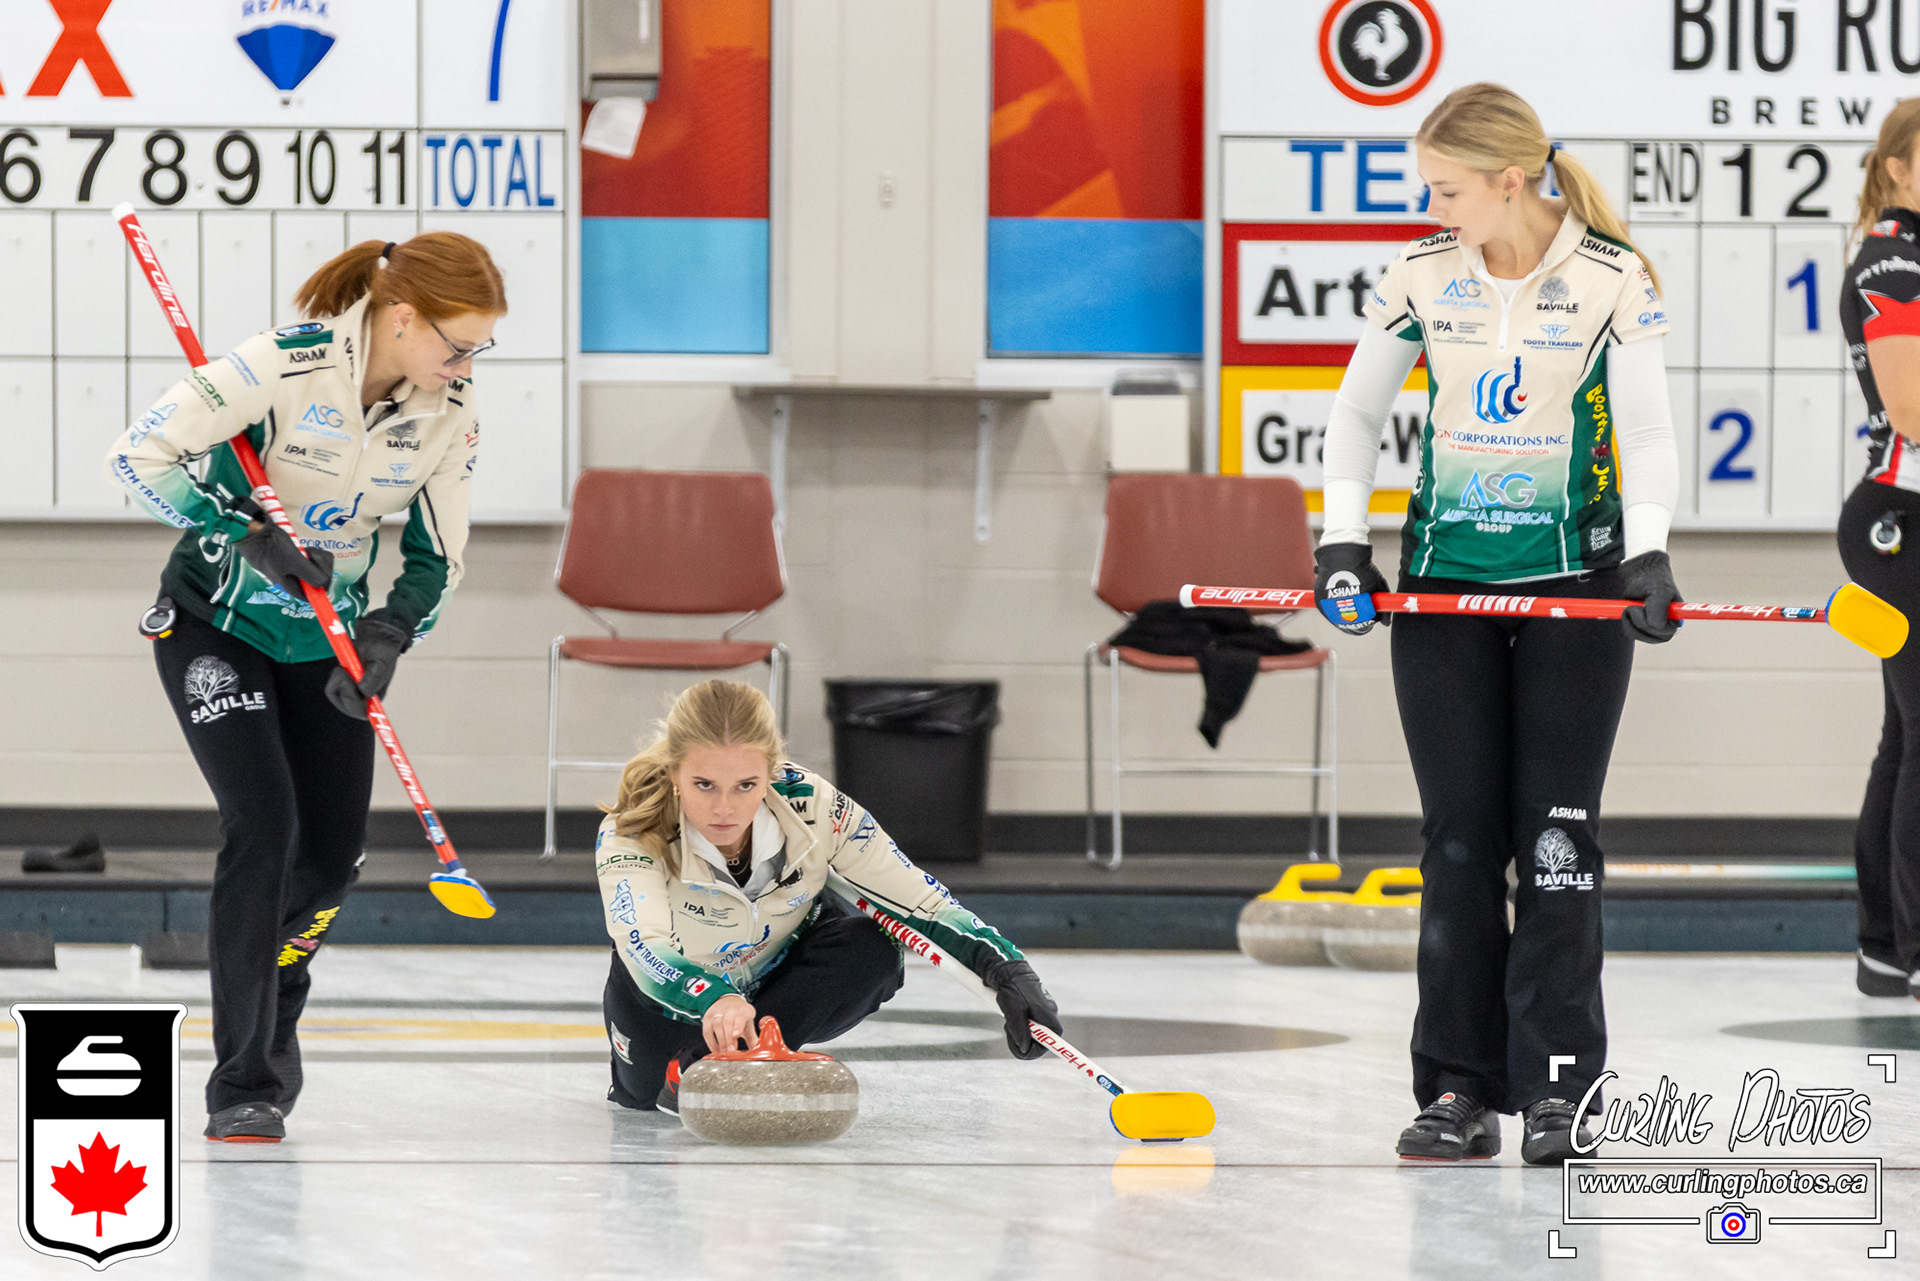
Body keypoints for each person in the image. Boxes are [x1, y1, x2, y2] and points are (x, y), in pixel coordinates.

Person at [1309, 83, 1682, 1166]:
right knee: (1460, 846)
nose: (1434, 207)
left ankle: (1561, 1089)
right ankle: (1457, 1089)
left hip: (1577, 593)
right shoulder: (1423, 274)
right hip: (1442, 595)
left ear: (1509, 182)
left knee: (1558, 843)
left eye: (1447, 189)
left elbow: (1649, 433)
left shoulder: (1614, 278)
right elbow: (1355, 412)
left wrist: (1648, 550)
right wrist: (1342, 542)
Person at [104, 233, 507, 1141]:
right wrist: (243, 532)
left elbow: (440, 554)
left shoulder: (452, 408)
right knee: (265, 826)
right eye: (457, 345)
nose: (466, 366)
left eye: (480, 348)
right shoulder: (281, 365)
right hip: (215, 623)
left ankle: (274, 977)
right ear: (402, 317)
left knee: (329, 859)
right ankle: (243, 1080)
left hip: (326, 639)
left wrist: (394, 628)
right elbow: (135, 459)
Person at [595, 679, 1062, 1112]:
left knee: (873, 948)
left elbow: (921, 901)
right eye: (704, 785)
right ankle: (692, 1063)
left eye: (746, 786)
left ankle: (725, 1062)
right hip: (668, 1002)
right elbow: (644, 946)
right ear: (675, 773)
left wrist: (1006, 968)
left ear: (771, 772)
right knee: (644, 1096)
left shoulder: (813, 805)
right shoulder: (630, 832)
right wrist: (714, 998)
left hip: (773, 988)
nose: (724, 808)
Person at [1839, 98, 1920, 1001]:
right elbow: (1911, 409)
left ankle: (1886, 947)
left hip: (1901, 514)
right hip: (1901, 516)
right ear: (1896, 166)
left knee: (1906, 736)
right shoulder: (1893, 255)